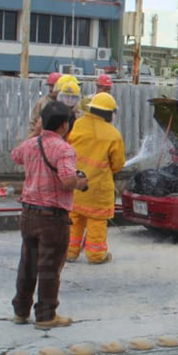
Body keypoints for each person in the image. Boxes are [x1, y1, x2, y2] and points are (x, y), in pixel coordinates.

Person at [11, 101, 89, 329]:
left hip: (28, 214)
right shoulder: (64, 149)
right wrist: (81, 182)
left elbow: (15, 156)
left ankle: (21, 311)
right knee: (49, 267)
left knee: (27, 264)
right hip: (52, 217)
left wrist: (35, 134)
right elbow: (66, 180)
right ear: (65, 125)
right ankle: (46, 316)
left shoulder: (31, 144)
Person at [67, 92, 125, 264]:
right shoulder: (113, 134)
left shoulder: (78, 125)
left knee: (74, 219)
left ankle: (70, 252)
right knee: (96, 222)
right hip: (98, 188)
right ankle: (96, 255)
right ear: (109, 113)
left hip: (75, 184)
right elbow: (117, 164)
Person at [27, 72, 70, 137]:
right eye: (50, 86)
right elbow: (33, 122)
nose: (51, 89)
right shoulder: (42, 102)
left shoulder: (68, 103)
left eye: (53, 86)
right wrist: (32, 136)